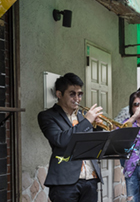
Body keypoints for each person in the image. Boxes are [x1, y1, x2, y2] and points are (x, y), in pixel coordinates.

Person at [37, 73, 103, 202]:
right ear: (59, 94)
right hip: (65, 182)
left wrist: (98, 127)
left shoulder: (82, 116)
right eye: (72, 94)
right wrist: (87, 121)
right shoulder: (47, 116)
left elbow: (92, 143)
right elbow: (60, 140)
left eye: (80, 94)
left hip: (90, 178)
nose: (77, 99)